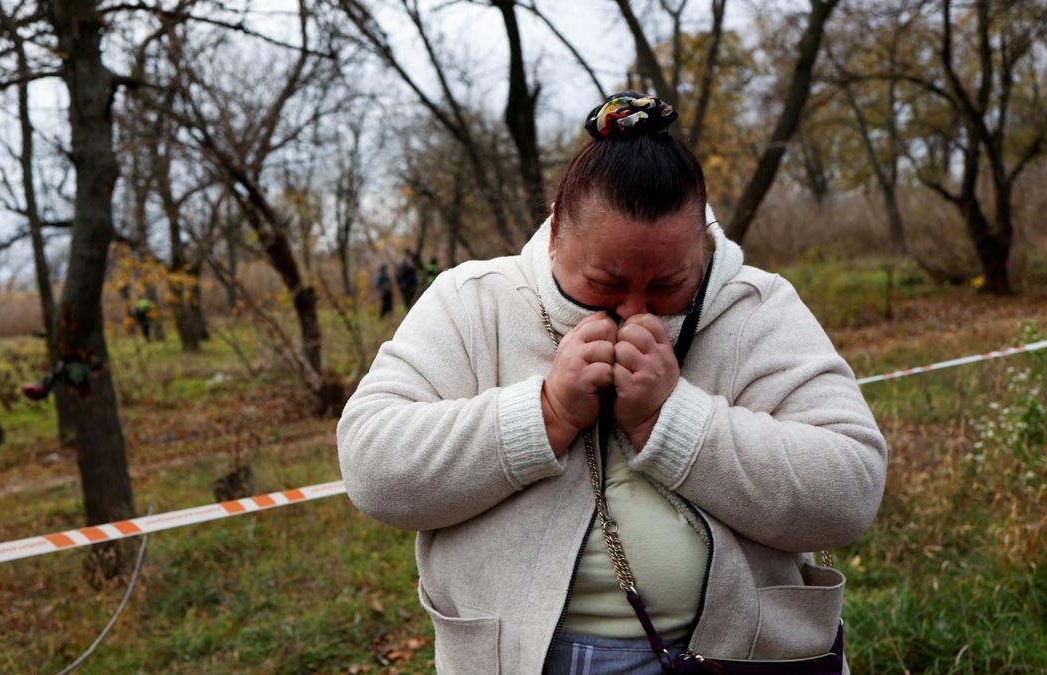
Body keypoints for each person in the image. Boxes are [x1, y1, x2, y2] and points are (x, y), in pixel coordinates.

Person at [337, 93, 886, 673]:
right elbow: (373, 466)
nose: (635, 312)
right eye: (605, 282)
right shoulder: (473, 300)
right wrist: (545, 413)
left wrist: (669, 422)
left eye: (669, 285)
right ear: (554, 238)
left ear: (701, 244)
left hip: (737, 660)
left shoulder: (756, 306)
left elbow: (851, 488)